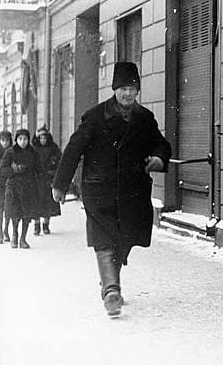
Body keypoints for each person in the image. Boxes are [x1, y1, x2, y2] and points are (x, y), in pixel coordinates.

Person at [51, 62, 171, 317]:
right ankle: (111, 291)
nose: (128, 93)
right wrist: (60, 184)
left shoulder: (145, 118)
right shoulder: (95, 117)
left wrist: (159, 159)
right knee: (104, 239)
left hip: (132, 192)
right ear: (115, 89)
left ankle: (109, 282)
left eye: (132, 88)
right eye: (123, 88)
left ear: (137, 90)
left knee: (123, 240)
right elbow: (74, 149)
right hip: (100, 189)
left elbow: (160, 144)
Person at [0, 129, 40, 249]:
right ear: (16, 140)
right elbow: (1, 170)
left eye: (25, 139)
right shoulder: (10, 152)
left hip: (29, 187)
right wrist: (14, 170)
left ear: (28, 140)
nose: (23, 141)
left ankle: (23, 238)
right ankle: (15, 235)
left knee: (27, 214)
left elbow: (39, 169)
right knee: (15, 213)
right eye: (20, 139)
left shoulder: (33, 152)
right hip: (13, 187)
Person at [31, 126, 62, 235]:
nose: (43, 140)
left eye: (45, 138)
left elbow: (59, 161)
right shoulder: (33, 149)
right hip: (37, 179)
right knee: (36, 202)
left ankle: (46, 224)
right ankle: (36, 225)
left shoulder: (53, 148)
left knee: (48, 202)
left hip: (49, 179)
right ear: (37, 138)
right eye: (41, 138)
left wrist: (54, 170)